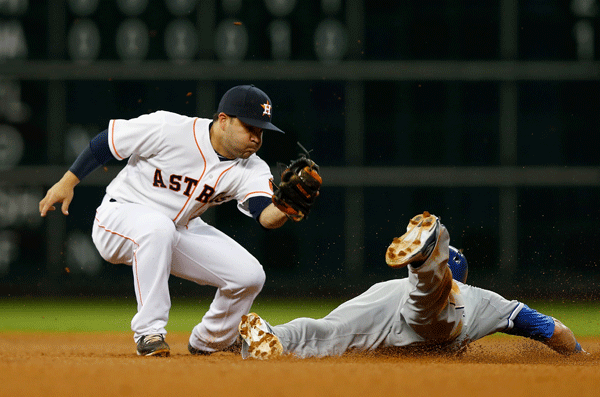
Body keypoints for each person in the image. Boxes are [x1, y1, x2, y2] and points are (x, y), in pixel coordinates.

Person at [39, 85, 320, 357]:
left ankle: (211, 340)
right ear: (223, 120)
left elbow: (265, 216)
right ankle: (149, 332)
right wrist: (68, 181)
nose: (256, 138)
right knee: (157, 228)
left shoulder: (252, 168)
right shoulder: (169, 128)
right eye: (250, 128)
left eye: (261, 131)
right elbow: (108, 142)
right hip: (119, 217)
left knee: (249, 276)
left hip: (176, 230)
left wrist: (285, 206)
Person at [239, 211, 587, 359]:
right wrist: (579, 357)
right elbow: (553, 329)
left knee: (327, 333)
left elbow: (550, 329)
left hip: (392, 302)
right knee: (428, 306)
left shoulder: (388, 289)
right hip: (428, 312)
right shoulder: (480, 299)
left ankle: (273, 334)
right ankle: (428, 262)